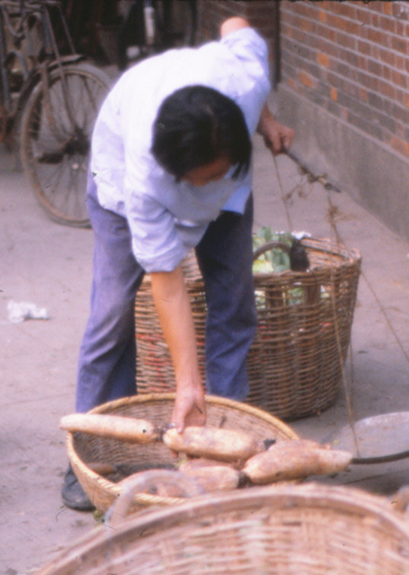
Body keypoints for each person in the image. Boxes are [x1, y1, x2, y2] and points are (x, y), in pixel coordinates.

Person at [63, 16, 294, 510]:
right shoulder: (144, 178)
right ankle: (96, 450)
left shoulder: (246, 79)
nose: (205, 188)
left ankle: (228, 449)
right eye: (197, 181)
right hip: (119, 193)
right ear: (174, 171)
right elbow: (166, 284)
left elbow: (236, 23)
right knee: (111, 318)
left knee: (234, 307)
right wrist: (187, 384)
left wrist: (268, 120)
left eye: (217, 174)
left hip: (233, 202)